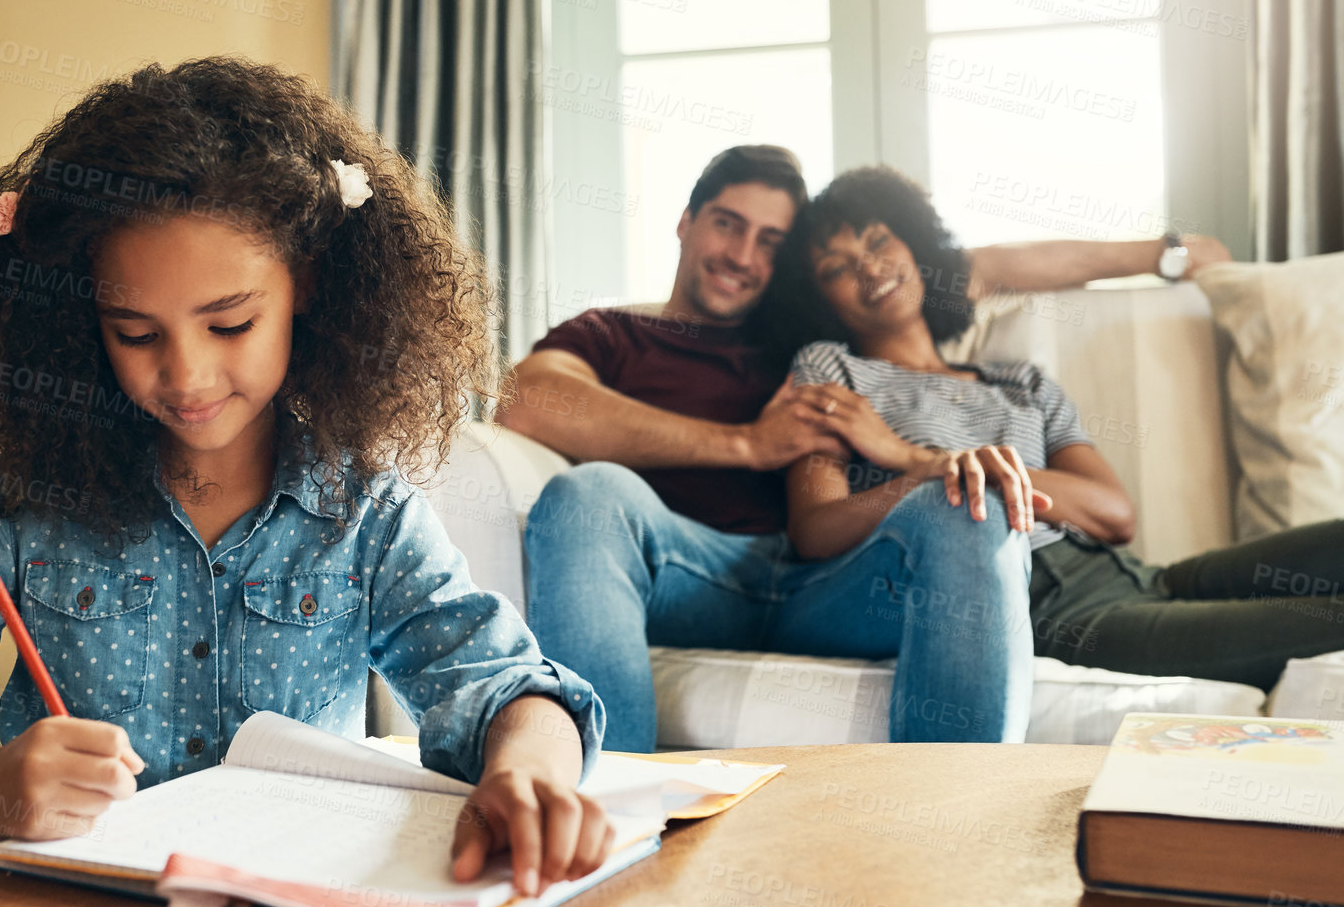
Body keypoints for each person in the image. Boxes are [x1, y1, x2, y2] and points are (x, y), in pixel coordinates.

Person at [0, 57, 613, 897]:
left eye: (231, 323)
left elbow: (507, 687)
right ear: (79, 322)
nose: (188, 376)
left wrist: (526, 774)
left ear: (308, 286)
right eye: (136, 333)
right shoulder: (25, 506)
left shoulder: (366, 516)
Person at [498, 145, 1232, 751]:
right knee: (587, 494)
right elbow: (528, 399)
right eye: (727, 224)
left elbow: (992, 263)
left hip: (838, 586)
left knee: (960, 500)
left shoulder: (819, 338)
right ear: (687, 223)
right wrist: (748, 444)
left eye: (770, 243)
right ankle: (612, 812)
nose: (742, 255)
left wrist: (1163, 253)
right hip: (695, 570)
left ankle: (949, 828)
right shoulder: (615, 334)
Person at [772, 165, 1344, 704]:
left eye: (877, 242)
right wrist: (938, 475)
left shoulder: (1020, 382)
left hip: (1142, 577)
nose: (869, 269)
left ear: (914, 246)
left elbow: (1114, 514)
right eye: (836, 268)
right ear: (819, 299)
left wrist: (910, 456)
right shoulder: (832, 371)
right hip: (1058, 611)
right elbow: (817, 531)